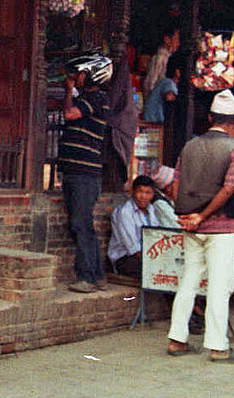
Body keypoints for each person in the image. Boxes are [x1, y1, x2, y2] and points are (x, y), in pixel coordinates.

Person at [167, 90, 234, 364]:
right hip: (220, 228)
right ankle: (218, 347)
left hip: (191, 225)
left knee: (189, 281)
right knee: (220, 286)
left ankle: (176, 340)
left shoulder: (189, 146)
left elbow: (175, 184)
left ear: (209, 118)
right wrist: (202, 215)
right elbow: (231, 188)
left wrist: (186, 214)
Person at [59, 53, 112, 293]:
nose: (76, 77)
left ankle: (87, 277)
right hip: (78, 172)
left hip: (84, 174)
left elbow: (69, 114)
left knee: (81, 224)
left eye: (79, 73)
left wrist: (69, 91)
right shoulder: (91, 98)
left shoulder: (96, 98)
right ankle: (97, 275)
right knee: (83, 224)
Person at [108, 175, 161, 279]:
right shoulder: (125, 212)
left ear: (153, 194)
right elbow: (133, 248)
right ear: (133, 191)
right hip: (125, 259)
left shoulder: (151, 209)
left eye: (148, 193)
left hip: (147, 256)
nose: (143, 197)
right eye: (140, 192)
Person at [144, 28, 178, 96]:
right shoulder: (160, 58)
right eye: (176, 39)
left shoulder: (168, 57)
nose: (178, 44)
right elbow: (151, 84)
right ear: (167, 39)